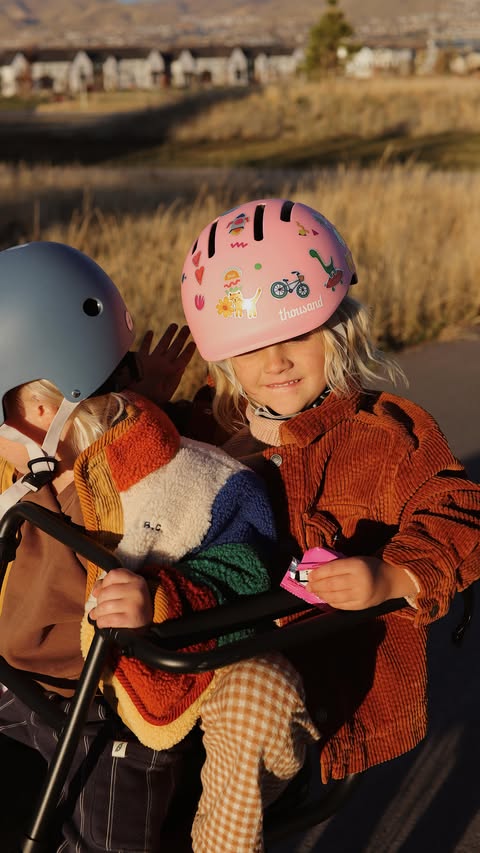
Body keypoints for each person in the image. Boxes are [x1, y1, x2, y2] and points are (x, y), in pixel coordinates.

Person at [139, 197, 480, 849]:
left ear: (338, 326)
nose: (277, 363)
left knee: (246, 703)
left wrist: (392, 573)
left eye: (296, 335)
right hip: (189, 658)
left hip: (309, 683)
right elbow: (156, 491)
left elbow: (460, 508)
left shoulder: (380, 438)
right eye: (252, 347)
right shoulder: (217, 427)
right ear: (224, 360)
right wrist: (155, 411)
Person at [0, 240, 317, 853]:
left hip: (108, 708)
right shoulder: (28, 463)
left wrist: (160, 598)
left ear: (40, 409)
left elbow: (245, 558)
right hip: (23, 684)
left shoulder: (179, 478)